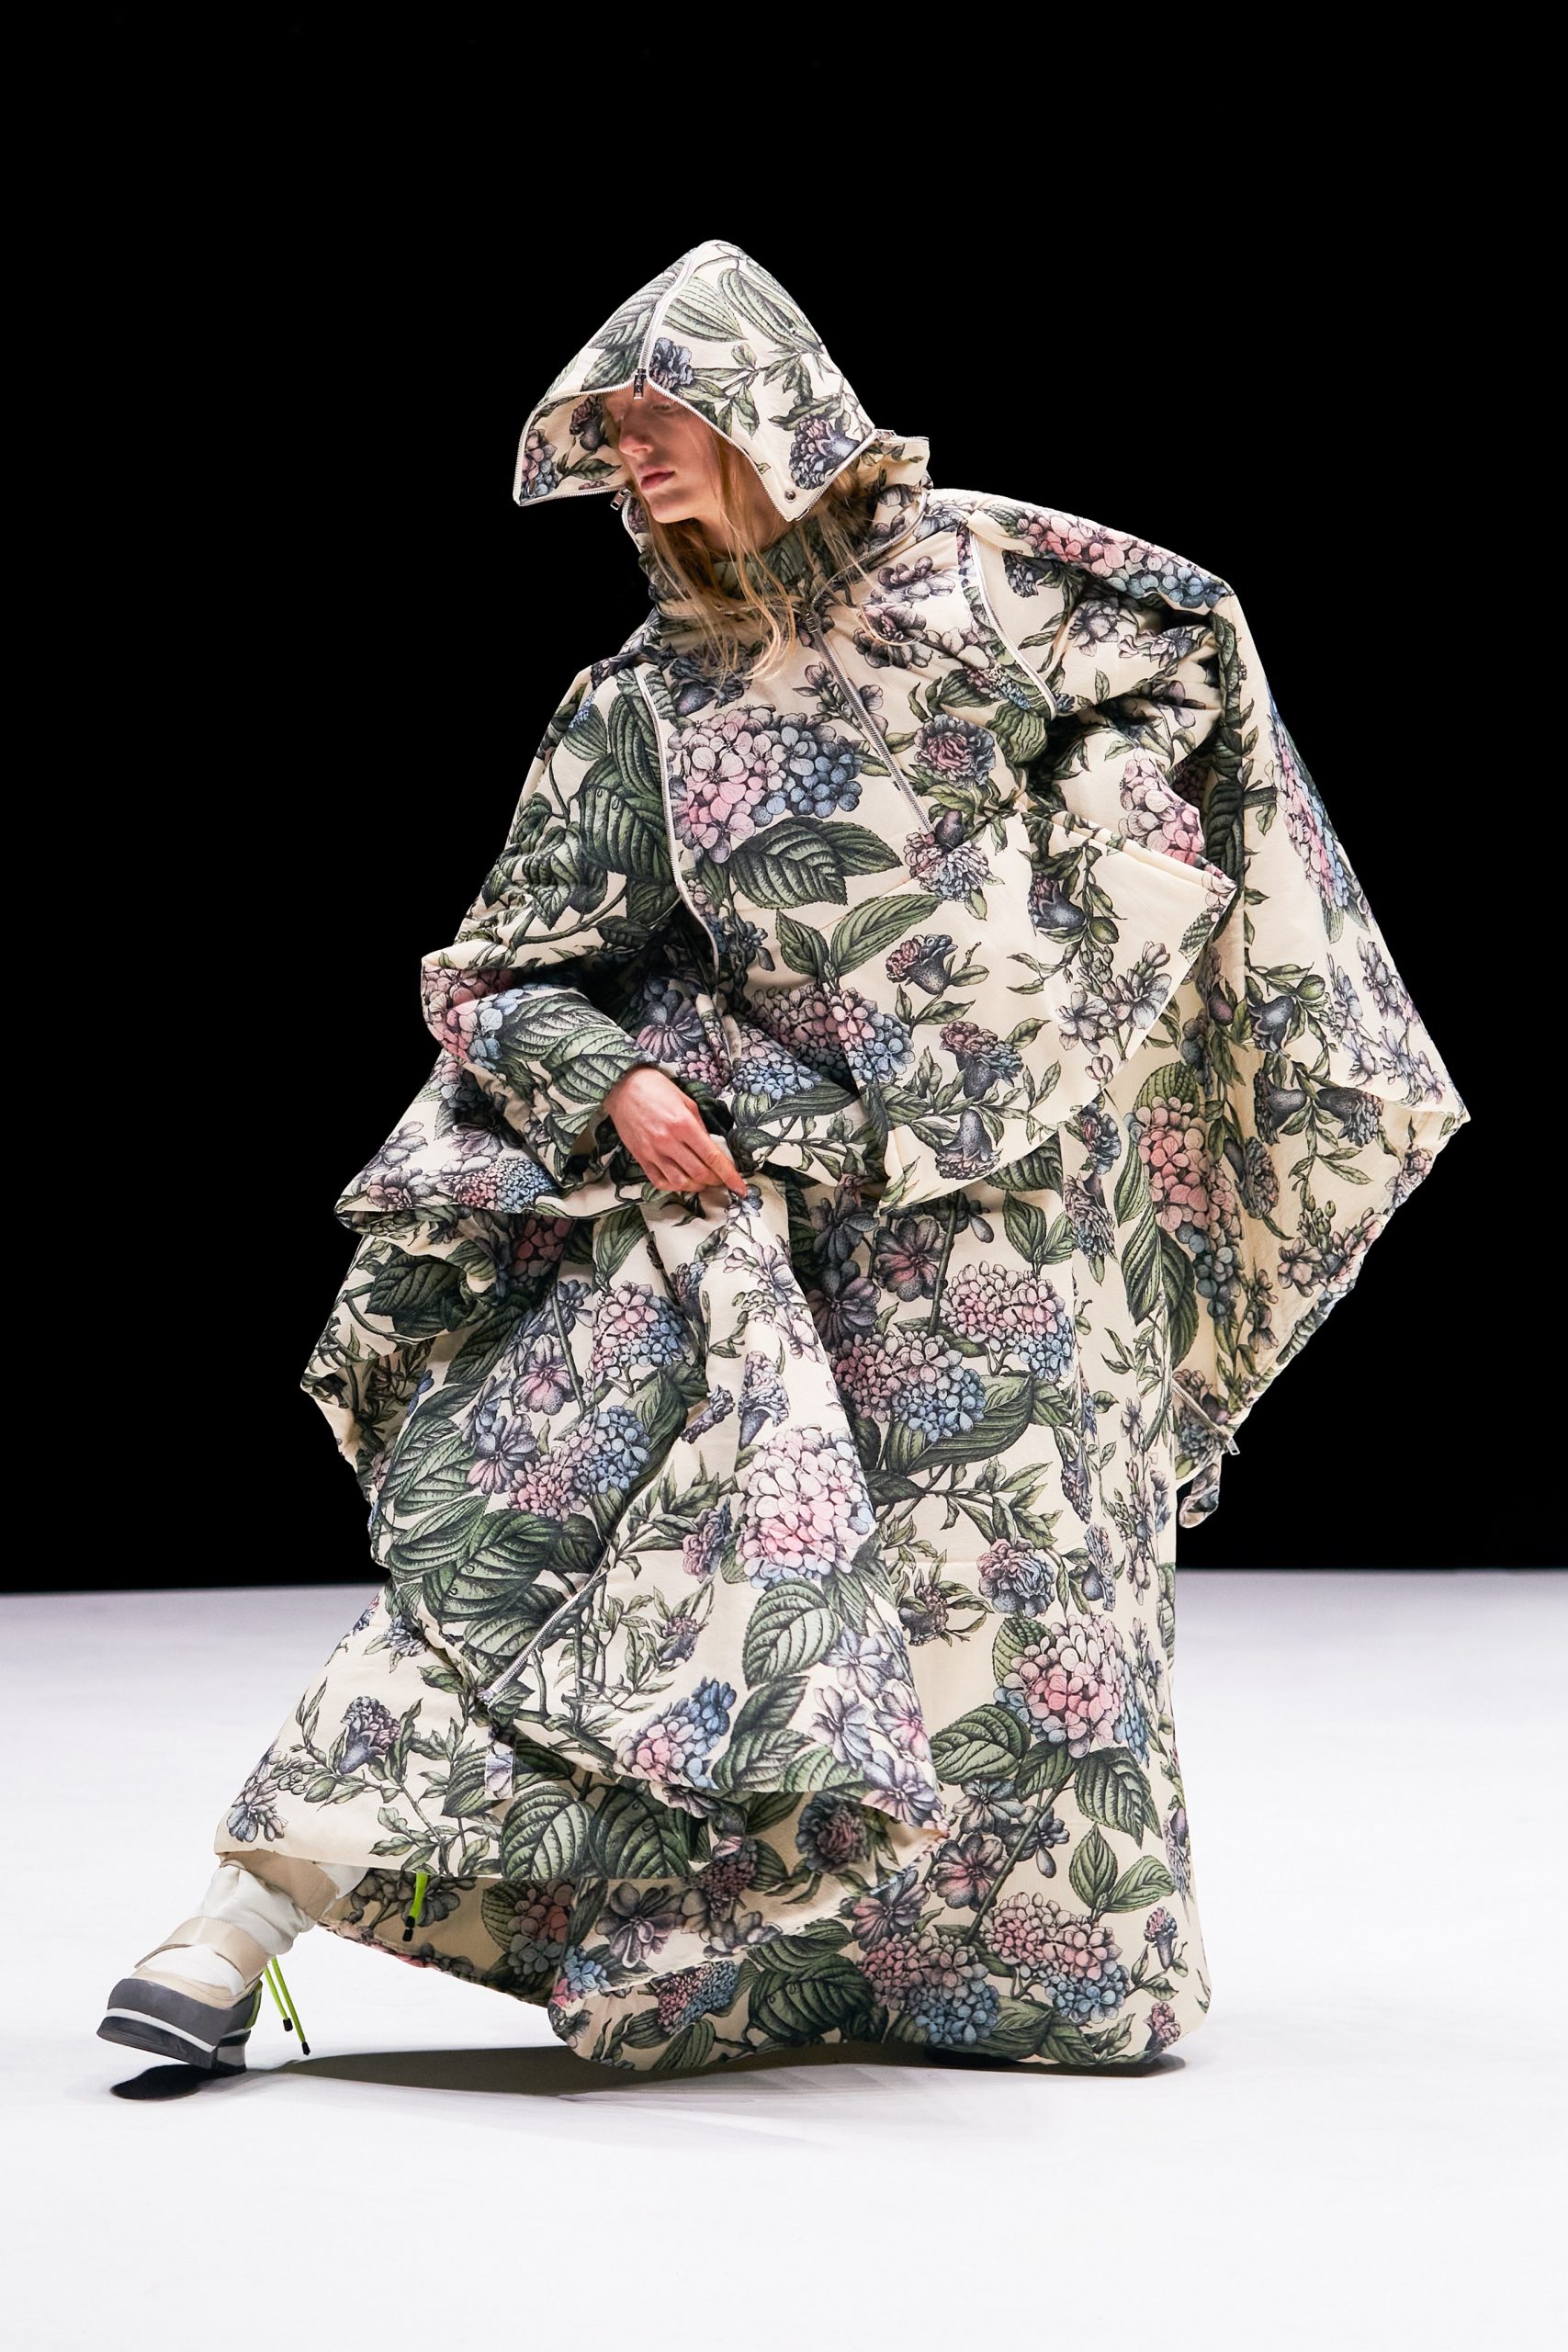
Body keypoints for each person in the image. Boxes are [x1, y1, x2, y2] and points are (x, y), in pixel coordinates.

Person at [99, 237, 1470, 2080]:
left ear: (769, 401)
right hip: (774, 1214)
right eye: (609, 427)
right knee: (600, 1561)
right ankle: (242, 1914)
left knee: (1024, 1601)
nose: (630, 451)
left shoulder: (988, 576)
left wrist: (1074, 911)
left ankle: (1015, 1977)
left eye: (658, 410)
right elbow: (495, 972)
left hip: (1018, 1220)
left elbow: (1186, 662)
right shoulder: (646, 703)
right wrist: (611, 1085)